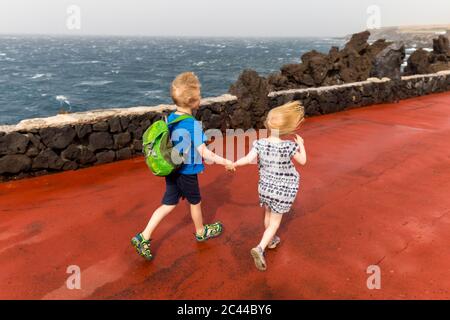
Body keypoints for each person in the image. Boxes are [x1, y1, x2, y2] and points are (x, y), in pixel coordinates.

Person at [131, 72, 233, 260]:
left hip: (172, 169)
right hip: (187, 172)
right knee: (196, 202)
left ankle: (143, 236)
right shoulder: (192, 124)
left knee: (167, 204)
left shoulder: (171, 119)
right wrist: (226, 161)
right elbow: (205, 153)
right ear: (193, 102)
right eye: (199, 95)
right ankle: (201, 232)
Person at [228, 101, 307, 271]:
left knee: (268, 213)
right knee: (274, 223)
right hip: (282, 190)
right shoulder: (289, 146)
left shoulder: (260, 144)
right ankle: (260, 247)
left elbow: (248, 159)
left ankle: (271, 241)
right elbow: (303, 161)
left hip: (265, 188)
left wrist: (234, 163)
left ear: (268, 123)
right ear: (286, 127)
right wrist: (301, 144)